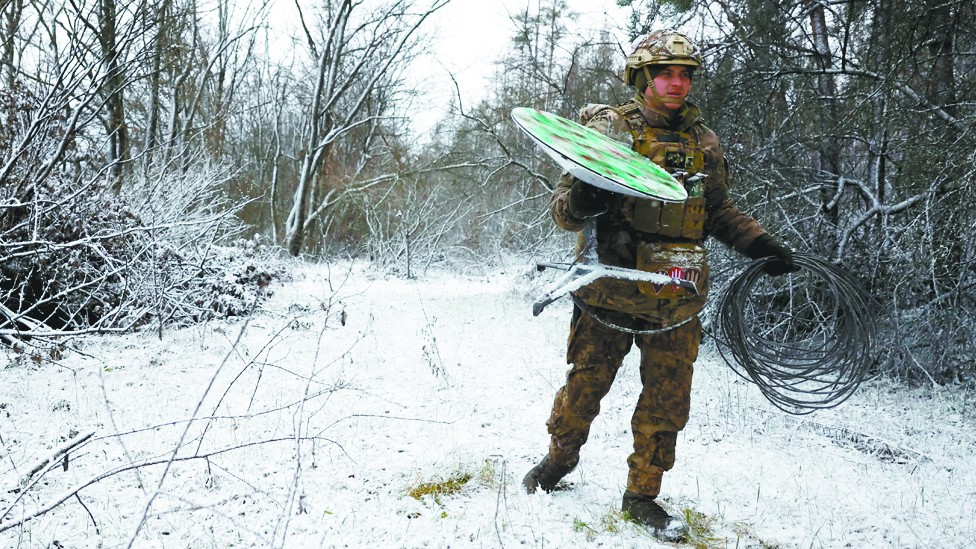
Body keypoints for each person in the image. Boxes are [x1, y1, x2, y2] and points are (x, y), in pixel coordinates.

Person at [522, 30, 797, 542]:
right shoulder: (607, 130)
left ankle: (642, 496)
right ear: (642, 79)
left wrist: (761, 244)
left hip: (676, 296)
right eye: (666, 73)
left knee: (666, 401)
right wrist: (585, 194)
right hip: (609, 292)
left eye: (685, 74)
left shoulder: (703, 142)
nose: (677, 83)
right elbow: (563, 212)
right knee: (584, 387)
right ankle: (559, 460)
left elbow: (716, 210)